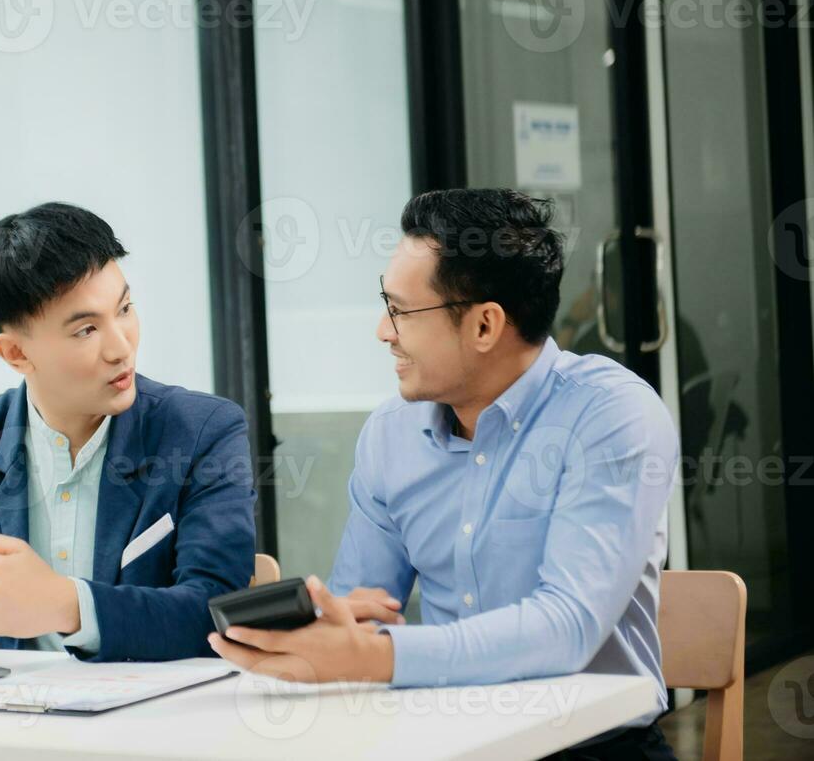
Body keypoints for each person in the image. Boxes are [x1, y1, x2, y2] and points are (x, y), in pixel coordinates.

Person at [209, 189, 679, 761]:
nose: (384, 331)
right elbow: (366, 603)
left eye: (401, 310)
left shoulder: (610, 415)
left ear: (485, 325)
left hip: (594, 744)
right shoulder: (391, 433)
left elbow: (567, 627)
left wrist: (375, 655)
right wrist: (330, 625)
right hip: (437, 734)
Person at [0, 202, 257, 661]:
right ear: (15, 354)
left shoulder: (202, 431)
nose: (121, 346)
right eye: (86, 330)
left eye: (124, 308)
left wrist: (67, 606)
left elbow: (219, 613)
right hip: (9, 725)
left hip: (152, 724)